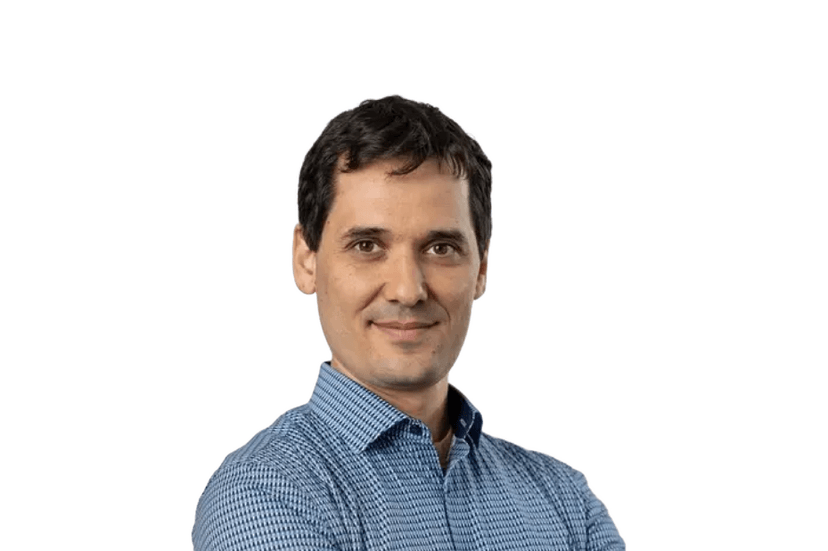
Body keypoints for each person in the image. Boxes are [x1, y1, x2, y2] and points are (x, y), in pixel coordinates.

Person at [193, 96, 625, 550]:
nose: (407, 289)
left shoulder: (565, 501)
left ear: (480, 267)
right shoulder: (266, 493)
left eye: (440, 248)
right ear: (307, 260)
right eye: (366, 246)